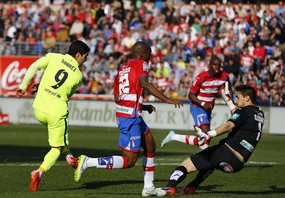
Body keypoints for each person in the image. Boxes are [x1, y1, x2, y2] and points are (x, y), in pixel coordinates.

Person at [74, 41, 183, 197]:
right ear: (141, 54)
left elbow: (118, 97)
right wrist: (168, 100)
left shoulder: (123, 68)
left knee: (150, 146)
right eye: (149, 52)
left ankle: (149, 188)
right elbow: (145, 84)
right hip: (130, 117)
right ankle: (88, 162)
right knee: (129, 161)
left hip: (130, 113)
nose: (150, 56)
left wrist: (142, 107)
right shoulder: (141, 64)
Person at [161, 84, 265, 196]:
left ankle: (169, 187)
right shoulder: (259, 113)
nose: (236, 99)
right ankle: (191, 187)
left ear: (247, 98)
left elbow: (228, 126)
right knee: (210, 164)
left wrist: (208, 135)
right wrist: (228, 101)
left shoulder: (243, 111)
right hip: (238, 163)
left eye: (238, 97)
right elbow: (239, 116)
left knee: (185, 165)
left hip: (226, 152)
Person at [15, 40, 91, 191]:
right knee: (56, 147)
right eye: (85, 56)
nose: (86, 59)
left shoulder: (53, 57)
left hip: (38, 109)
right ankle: (39, 172)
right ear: (77, 55)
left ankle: (69, 155)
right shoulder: (77, 75)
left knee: (61, 134)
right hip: (55, 112)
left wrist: (23, 86)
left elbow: (34, 66)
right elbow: (65, 94)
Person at [161, 54, 232, 150]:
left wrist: (230, 99)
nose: (217, 67)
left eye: (219, 65)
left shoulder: (224, 76)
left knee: (205, 139)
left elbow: (229, 88)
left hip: (208, 109)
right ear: (209, 65)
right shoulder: (201, 77)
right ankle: (199, 160)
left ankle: (174, 137)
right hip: (198, 107)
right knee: (206, 133)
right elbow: (190, 95)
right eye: (215, 65)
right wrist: (203, 104)